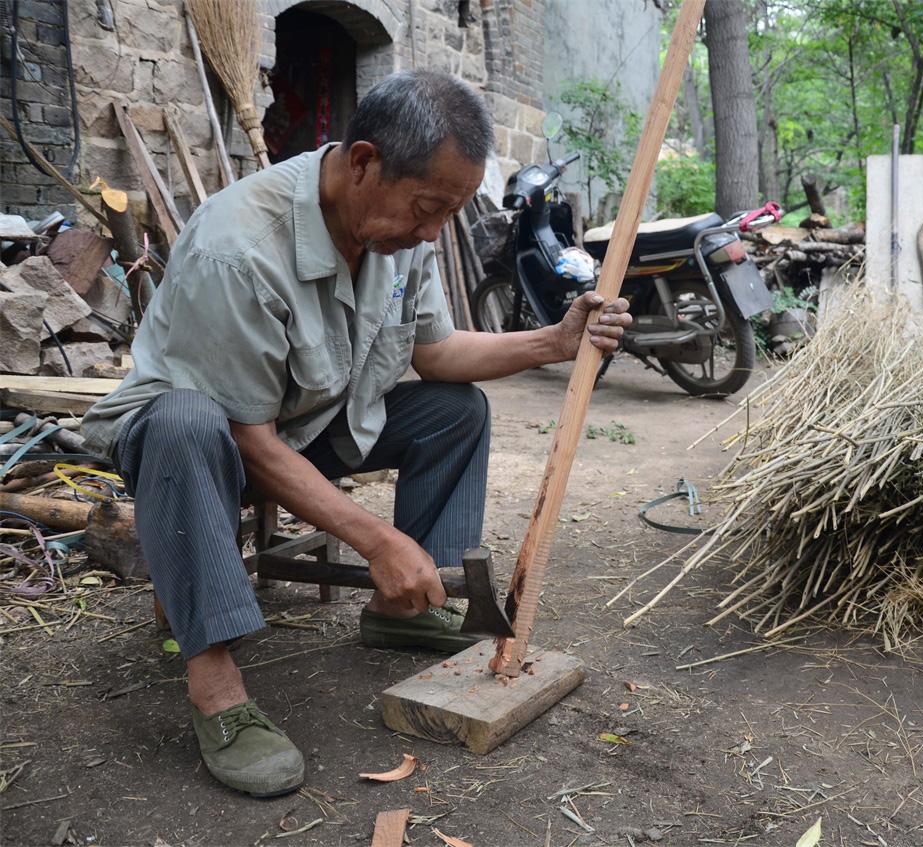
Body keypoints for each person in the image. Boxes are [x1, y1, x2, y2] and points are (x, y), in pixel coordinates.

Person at [81, 70, 632, 798]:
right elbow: (247, 436)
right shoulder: (240, 246)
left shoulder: (399, 236)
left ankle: (406, 608)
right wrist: (378, 539)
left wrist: (553, 343)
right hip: (196, 447)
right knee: (186, 421)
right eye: (429, 206)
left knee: (454, 408)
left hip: (303, 422)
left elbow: (434, 352)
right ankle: (215, 682)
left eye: (451, 211)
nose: (434, 230)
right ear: (365, 161)